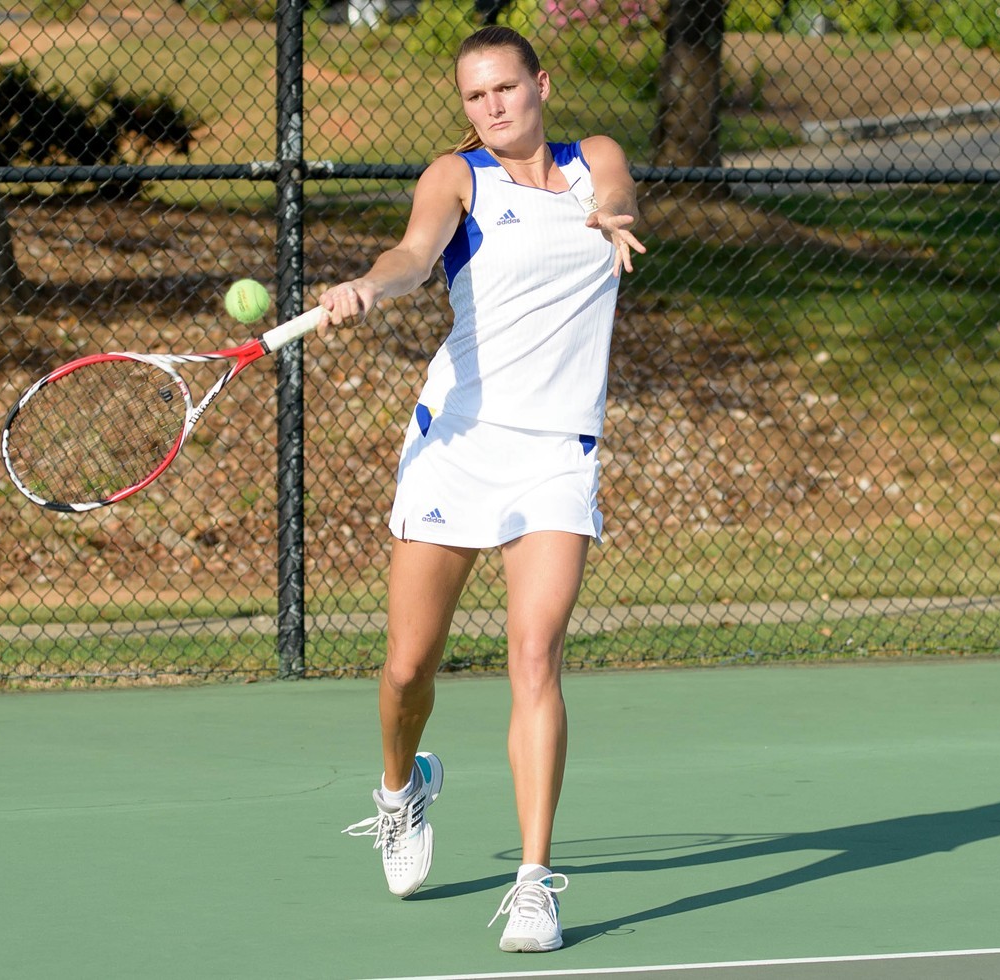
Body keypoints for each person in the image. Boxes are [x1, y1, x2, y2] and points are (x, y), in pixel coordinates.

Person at [323, 25, 645, 954]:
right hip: (458, 448)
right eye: (474, 96)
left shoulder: (596, 163)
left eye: (505, 88)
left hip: (557, 454)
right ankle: (400, 787)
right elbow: (415, 256)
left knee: (535, 655)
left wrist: (612, 215)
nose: (492, 107)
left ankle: (535, 884)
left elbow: (617, 195)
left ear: (541, 84)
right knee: (406, 669)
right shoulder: (456, 177)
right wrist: (371, 288)